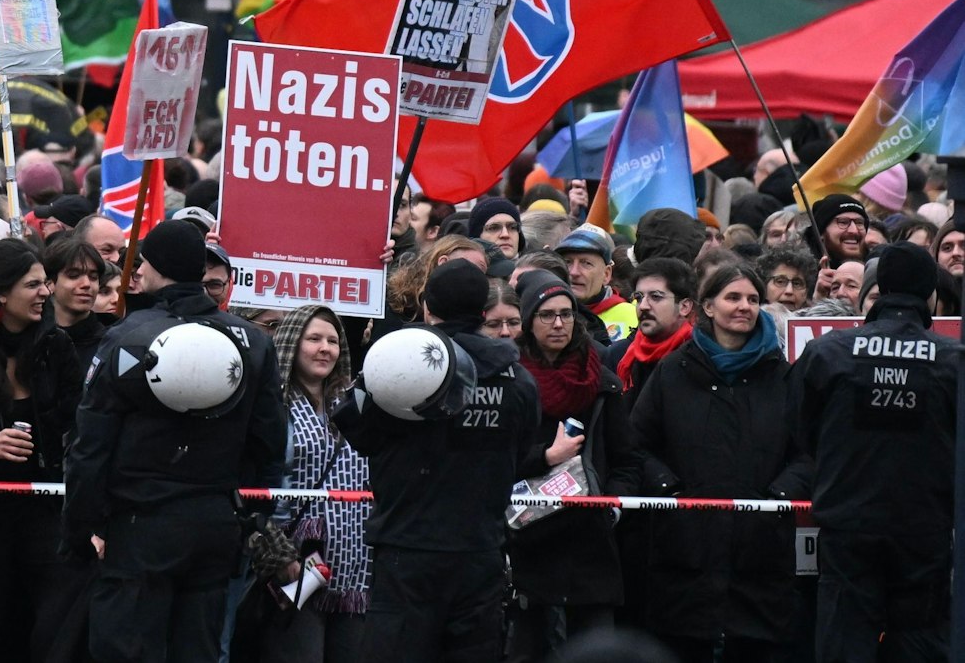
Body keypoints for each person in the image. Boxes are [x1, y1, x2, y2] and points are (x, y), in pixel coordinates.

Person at [64, 220, 285, 663]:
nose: (137, 270)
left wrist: (77, 530)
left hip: (140, 524)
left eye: (142, 261)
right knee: (199, 650)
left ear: (157, 266)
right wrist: (250, 516)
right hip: (214, 521)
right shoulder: (254, 343)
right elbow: (270, 440)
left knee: (125, 648)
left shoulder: (126, 337)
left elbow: (91, 444)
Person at [332, 259, 539, 663]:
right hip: (479, 551)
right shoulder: (518, 379)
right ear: (483, 313)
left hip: (406, 547)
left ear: (428, 307)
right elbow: (523, 447)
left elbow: (357, 431)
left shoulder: (397, 367)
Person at [631, 262, 808, 662]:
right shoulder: (672, 372)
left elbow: (809, 452)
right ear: (707, 307)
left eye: (752, 299)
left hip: (760, 550)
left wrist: (778, 495)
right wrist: (670, 491)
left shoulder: (784, 377)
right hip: (686, 547)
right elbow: (637, 445)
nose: (744, 306)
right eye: (733, 297)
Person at [794, 242, 960, 662]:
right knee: (920, 641)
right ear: (930, 294)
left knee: (843, 639)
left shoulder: (827, 352)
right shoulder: (953, 360)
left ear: (879, 286)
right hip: (926, 529)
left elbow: (800, 431)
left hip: (847, 523)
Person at [0, 237, 87, 663]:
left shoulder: (55, 346)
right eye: (33, 285)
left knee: (47, 625)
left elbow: (79, 420)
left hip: (45, 507)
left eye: (45, 283)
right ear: (1, 292)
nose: (45, 293)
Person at [507, 271, 639, 661]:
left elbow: (627, 459)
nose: (560, 323)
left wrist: (613, 506)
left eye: (567, 313)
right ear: (529, 321)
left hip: (590, 544)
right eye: (547, 315)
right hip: (526, 541)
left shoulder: (601, 382)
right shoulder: (510, 380)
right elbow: (490, 458)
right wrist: (545, 458)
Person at [270, 305, 370, 663]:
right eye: (313, 339)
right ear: (292, 344)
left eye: (332, 340)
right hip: (298, 560)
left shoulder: (356, 404)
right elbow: (267, 483)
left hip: (357, 564)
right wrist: (279, 554)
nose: (325, 348)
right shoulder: (274, 407)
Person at [603, 257, 696, 402]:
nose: (643, 306)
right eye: (638, 297)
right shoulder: (619, 355)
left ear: (684, 307)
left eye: (656, 297)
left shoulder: (699, 359)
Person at [552, 225, 634, 342]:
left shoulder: (633, 316)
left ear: (606, 274)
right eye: (567, 262)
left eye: (586, 263)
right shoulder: (546, 313)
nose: (574, 272)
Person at [45, 231, 114, 366]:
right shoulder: (33, 340)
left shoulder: (111, 344)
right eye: (74, 275)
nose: (86, 284)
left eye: (93, 277)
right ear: (50, 284)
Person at [811, 194, 869, 266]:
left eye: (859, 223)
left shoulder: (878, 269)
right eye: (843, 222)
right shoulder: (800, 273)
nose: (854, 230)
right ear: (821, 232)